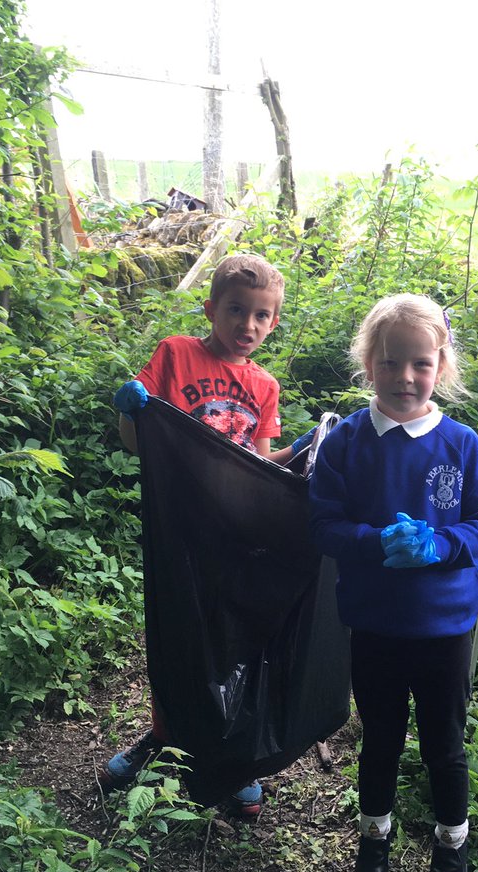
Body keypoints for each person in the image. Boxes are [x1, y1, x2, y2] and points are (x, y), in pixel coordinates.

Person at [100, 253, 314, 817]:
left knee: (228, 637)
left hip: (234, 538)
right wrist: (130, 412)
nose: (248, 324)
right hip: (178, 528)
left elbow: (258, 469)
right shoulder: (176, 354)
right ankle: (162, 736)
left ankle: (230, 756)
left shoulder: (264, 385)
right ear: (210, 309)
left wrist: (303, 452)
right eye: (236, 310)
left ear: (273, 322)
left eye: (262, 316)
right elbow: (139, 443)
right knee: (174, 633)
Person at [309, 294, 478, 872]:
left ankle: (452, 847)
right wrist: (372, 542)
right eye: (390, 363)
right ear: (369, 364)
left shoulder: (462, 445)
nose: (405, 377)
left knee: (445, 744)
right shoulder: (346, 443)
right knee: (381, 741)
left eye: (421, 363)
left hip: (445, 627)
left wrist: (441, 545)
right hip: (375, 625)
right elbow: (322, 525)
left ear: (441, 367)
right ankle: (373, 851)